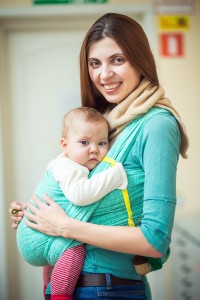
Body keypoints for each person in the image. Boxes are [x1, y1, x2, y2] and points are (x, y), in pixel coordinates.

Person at [9, 13, 189, 300]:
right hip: (77, 283)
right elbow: (81, 195)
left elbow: (154, 240)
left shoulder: (156, 124)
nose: (104, 74)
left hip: (109, 289)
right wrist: (38, 214)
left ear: (140, 60)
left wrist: (65, 225)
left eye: (117, 60)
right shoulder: (106, 123)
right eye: (95, 63)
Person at [15, 106, 128, 300]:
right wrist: (115, 176)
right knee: (75, 247)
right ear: (65, 145)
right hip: (36, 237)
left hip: (39, 237)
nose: (94, 149)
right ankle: (60, 295)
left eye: (102, 143)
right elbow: (80, 195)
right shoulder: (68, 167)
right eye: (84, 142)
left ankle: (48, 291)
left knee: (57, 256)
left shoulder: (67, 164)